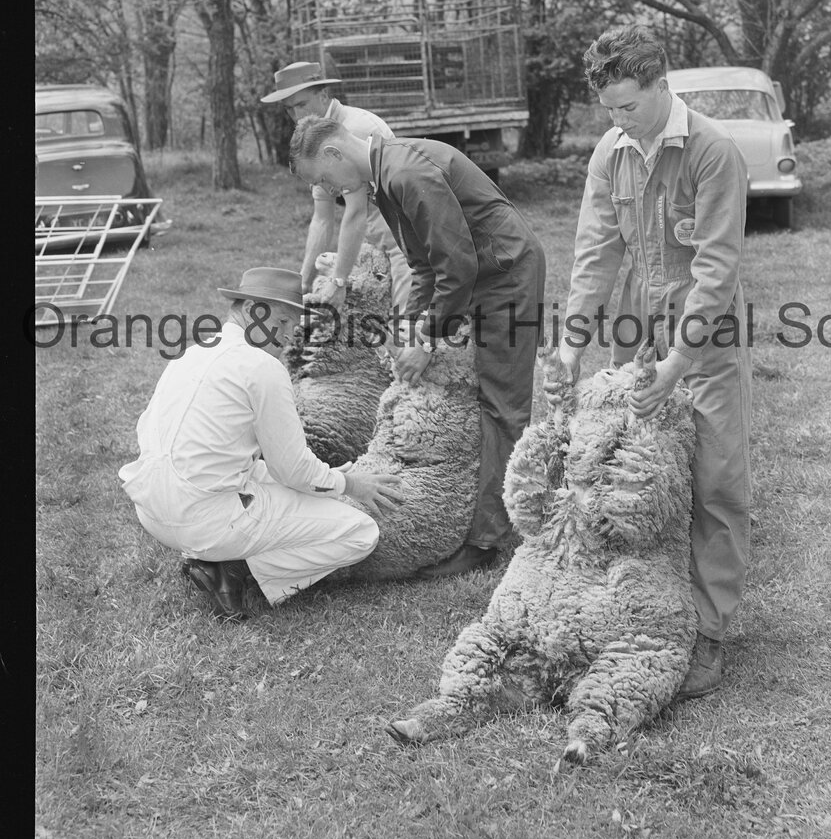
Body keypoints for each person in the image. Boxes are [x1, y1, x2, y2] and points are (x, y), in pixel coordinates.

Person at [548, 25, 751, 698]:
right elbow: (597, 252)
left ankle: (710, 629)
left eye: (628, 107)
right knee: (628, 474)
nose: (617, 121)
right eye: (608, 110)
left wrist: (680, 363)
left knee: (713, 478)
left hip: (706, 327)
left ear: (663, 86)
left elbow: (718, 270)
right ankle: (635, 612)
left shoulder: (714, 154)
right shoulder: (611, 153)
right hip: (637, 320)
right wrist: (574, 340)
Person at [288, 116, 546, 577]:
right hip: (476, 273)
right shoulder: (382, 179)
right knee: (472, 396)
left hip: (505, 274)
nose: (328, 188)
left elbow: (457, 264)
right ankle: (471, 505)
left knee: (500, 403)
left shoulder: (405, 173)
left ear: (332, 153)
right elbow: (425, 266)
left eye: (324, 179)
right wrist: (410, 328)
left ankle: (487, 540)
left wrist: (426, 340)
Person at [118, 267, 405, 618]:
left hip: (151, 512)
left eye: (291, 328)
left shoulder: (192, 353)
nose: (287, 338)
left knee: (279, 483)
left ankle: (218, 561)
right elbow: (294, 469)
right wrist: (350, 484)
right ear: (254, 310)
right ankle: (233, 569)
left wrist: (323, 478)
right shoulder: (261, 367)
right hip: (204, 522)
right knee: (360, 532)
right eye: (282, 323)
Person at [259, 61, 411, 310]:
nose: (296, 116)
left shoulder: (355, 128)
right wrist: (302, 284)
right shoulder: (313, 137)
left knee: (404, 331)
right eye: (289, 109)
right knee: (322, 268)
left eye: (302, 105)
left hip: (403, 244)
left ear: (323, 95)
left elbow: (355, 212)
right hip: (374, 242)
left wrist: (339, 282)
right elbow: (322, 218)